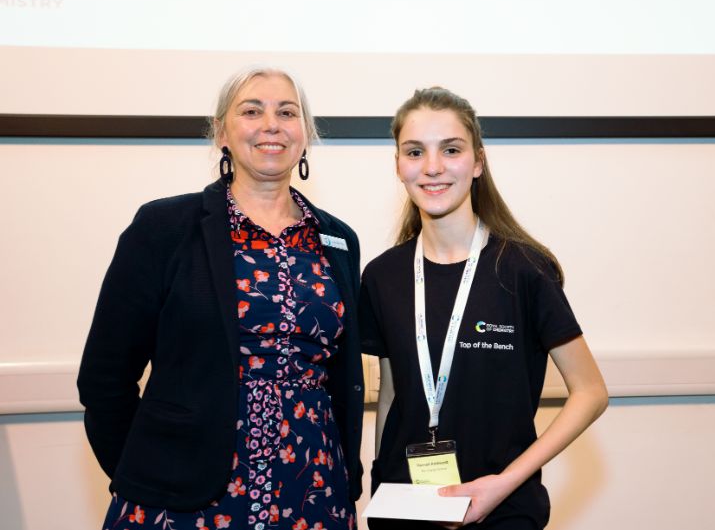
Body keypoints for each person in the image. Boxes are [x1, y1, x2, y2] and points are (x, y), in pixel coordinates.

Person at [78, 66, 363, 530]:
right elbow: (104, 380)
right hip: (183, 498)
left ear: (306, 133)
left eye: (287, 112)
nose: (271, 125)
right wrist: (144, 474)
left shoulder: (337, 240)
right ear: (222, 133)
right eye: (251, 111)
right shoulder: (164, 228)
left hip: (312, 485)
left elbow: (343, 378)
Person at [360, 87, 608, 529]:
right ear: (398, 165)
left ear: (477, 162)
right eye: (415, 152)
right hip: (407, 510)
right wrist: (381, 489)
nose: (432, 167)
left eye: (450, 150)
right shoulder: (382, 276)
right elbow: (393, 393)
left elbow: (591, 392)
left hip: (502, 509)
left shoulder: (524, 270)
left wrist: (504, 483)